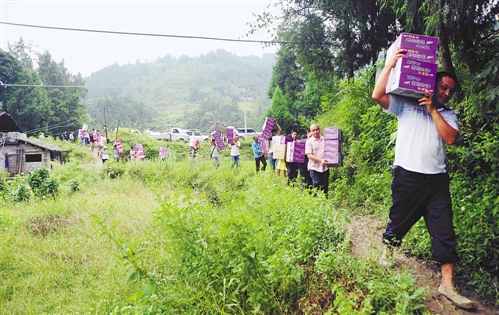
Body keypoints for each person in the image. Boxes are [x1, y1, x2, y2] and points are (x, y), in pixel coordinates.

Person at [371, 48, 475, 310]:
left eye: (450, 90)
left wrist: (432, 109)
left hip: (437, 182)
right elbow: (377, 95)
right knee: (399, 220)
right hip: (408, 177)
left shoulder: (448, 115)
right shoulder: (404, 105)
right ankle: (387, 253)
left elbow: (450, 138)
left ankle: (447, 284)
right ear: (432, 84)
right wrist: (390, 64)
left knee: (445, 232)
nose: (446, 93)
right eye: (443, 87)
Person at [305, 124, 329, 195]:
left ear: (319, 129)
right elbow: (309, 155)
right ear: (310, 132)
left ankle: (324, 201)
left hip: (324, 167)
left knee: (325, 185)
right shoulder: (309, 142)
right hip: (314, 167)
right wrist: (320, 160)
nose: (316, 132)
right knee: (316, 183)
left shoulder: (325, 139)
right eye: (313, 130)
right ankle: (315, 200)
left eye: (317, 129)